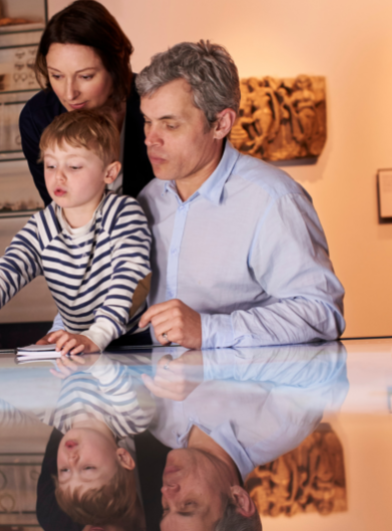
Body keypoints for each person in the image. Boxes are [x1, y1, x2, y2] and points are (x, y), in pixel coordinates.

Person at [135, 41, 346, 349]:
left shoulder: (273, 199)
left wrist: (209, 330)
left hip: (248, 392)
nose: (150, 139)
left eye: (170, 124)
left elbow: (322, 312)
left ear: (221, 124)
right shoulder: (146, 200)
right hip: (159, 391)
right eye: (147, 121)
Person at [0, 109, 152, 354]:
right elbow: (8, 269)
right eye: (50, 165)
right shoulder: (41, 226)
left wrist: (97, 335)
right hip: (76, 343)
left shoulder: (123, 213)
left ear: (109, 173)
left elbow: (130, 278)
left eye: (74, 166)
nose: (59, 176)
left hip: (131, 343)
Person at [146, 343, 349, 531]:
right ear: (238, 499)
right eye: (188, 505)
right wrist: (208, 358)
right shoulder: (285, 423)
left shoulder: (156, 424)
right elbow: (320, 344)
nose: (166, 490)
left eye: (165, 509)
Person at [0, 353, 150, 531]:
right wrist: (92, 358)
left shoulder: (60, 420)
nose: (71, 460)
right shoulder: (132, 420)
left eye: (64, 471)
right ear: (123, 457)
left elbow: (19, 414)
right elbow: (121, 380)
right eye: (87, 468)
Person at [20, 0, 154, 206]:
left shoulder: (152, 102)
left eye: (86, 77)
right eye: (57, 76)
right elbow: (58, 204)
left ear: (116, 63)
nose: (69, 94)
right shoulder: (37, 117)